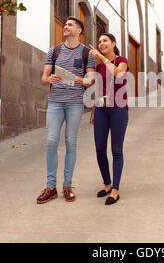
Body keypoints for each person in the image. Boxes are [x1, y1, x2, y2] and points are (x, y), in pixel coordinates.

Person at [37, 17, 96, 204]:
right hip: (55, 102)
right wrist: (50, 79)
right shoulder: (53, 51)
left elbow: (91, 80)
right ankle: (50, 186)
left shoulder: (87, 53)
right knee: (51, 142)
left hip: (75, 103)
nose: (65, 27)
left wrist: (76, 79)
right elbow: (43, 78)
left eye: (70, 25)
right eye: (65, 25)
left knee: (71, 142)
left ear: (79, 31)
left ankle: (67, 185)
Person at [89, 33, 129, 205]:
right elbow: (98, 89)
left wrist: (103, 59)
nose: (101, 43)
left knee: (116, 150)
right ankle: (107, 184)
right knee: (99, 149)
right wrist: (93, 111)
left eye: (105, 40)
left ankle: (115, 189)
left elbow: (119, 75)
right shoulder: (99, 68)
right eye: (99, 42)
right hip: (101, 109)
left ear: (113, 43)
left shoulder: (122, 60)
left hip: (118, 109)